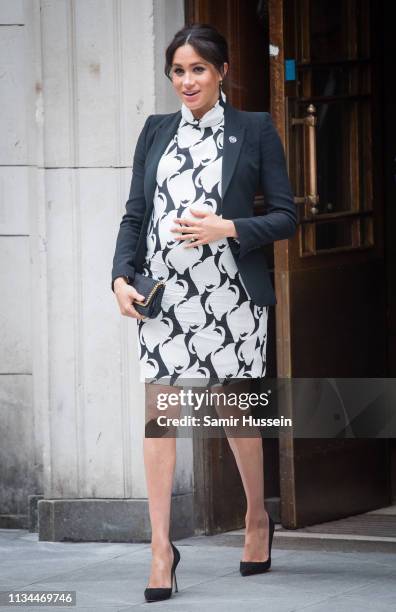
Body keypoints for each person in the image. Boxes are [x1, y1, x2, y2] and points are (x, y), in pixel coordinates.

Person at [111, 23, 297, 603]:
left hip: (230, 298)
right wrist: (119, 276)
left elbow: (288, 217)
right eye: (178, 71)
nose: (186, 81)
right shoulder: (156, 131)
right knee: (160, 415)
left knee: (236, 417)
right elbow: (135, 214)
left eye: (197, 69)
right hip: (164, 298)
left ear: (221, 71)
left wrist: (228, 227)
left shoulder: (254, 129)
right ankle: (161, 548)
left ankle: (255, 519)